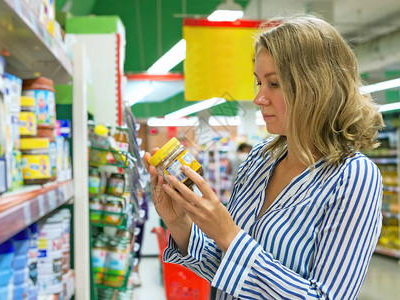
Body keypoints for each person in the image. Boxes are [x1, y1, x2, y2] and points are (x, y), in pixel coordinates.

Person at [143, 14, 384, 299]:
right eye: (259, 82)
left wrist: (229, 235)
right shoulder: (260, 160)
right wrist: (179, 222)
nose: (259, 98)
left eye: (275, 84)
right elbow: (228, 272)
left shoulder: (353, 177)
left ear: (315, 87)